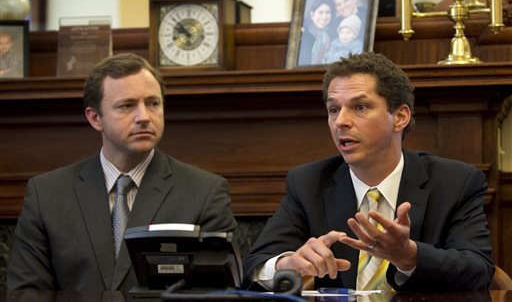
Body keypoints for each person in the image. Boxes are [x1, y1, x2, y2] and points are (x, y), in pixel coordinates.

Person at [243, 52, 494, 292]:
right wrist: (287, 264)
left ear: (400, 117)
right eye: (333, 109)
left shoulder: (455, 183)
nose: (341, 121)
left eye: (360, 107)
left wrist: (409, 255)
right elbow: (254, 266)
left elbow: (479, 270)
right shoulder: (308, 182)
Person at [7, 53, 237, 291]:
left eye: (153, 103)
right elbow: (27, 292)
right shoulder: (47, 195)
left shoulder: (204, 192)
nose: (144, 117)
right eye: (127, 106)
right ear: (95, 118)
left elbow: (217, 293)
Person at [298, 0, 333, 66]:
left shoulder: (327, 37)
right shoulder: (303, 33)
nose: (324, 17)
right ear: (312, 15)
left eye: (328, 12)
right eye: (320, 12)